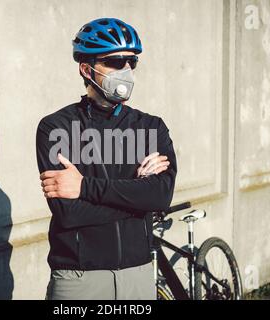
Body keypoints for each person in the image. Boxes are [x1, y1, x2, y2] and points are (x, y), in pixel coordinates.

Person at [36, 18, 177, 300]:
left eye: (131, 62)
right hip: (78, 278)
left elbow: (160, 198)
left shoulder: (151, 127)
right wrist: (138, 196)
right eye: (115, 62)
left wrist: (85, 187)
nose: (125, 70)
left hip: (138, 276)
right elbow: (68, 213)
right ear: (87, 70)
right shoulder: (56, 128)